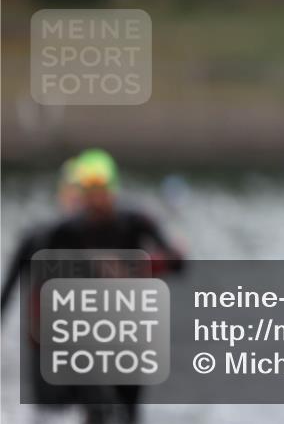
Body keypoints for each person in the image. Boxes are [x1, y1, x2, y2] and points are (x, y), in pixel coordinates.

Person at [2, 149, 184, 424]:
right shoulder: (50, 234)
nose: (91, 202)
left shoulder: (135, 221)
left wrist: (145, 266)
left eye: (100, 191)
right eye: (84, 193)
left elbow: (177, 262)